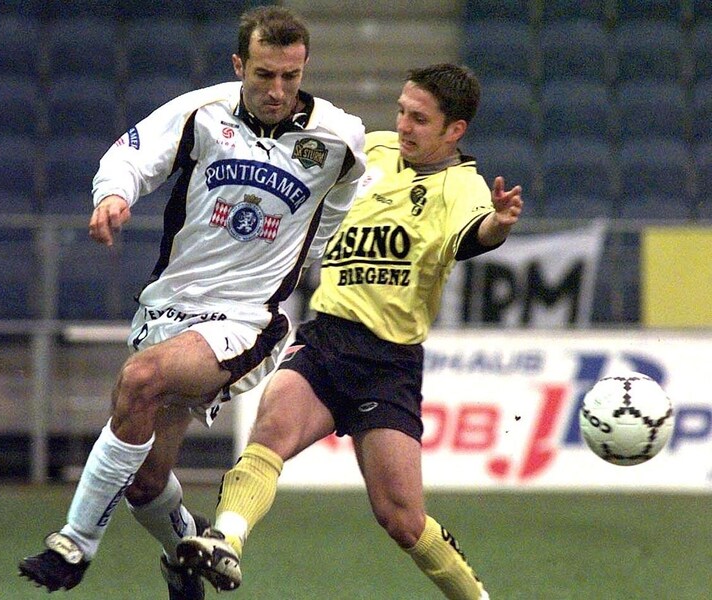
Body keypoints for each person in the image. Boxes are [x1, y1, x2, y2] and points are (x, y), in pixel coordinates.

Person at [18, 6, 366, 599]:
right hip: (168, 307)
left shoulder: (338, 137)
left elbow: (341, 200)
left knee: (142, 379)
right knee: (146, 482)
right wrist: (113, 196)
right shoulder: (202, 112)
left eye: (291, 75)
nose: (278, 90)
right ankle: (186, 546)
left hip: (246, 318)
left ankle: (74, 543)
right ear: (238, 66)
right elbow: (131, 155)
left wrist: (310, 259)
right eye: (263, 75)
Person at [174, 63, 523, 600]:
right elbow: (301, 145)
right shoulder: (370, 150)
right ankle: (227, 540)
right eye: (403, 111)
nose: (403, 125)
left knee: (403, 521)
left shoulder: (463, 185)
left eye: (420, 120)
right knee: (269, 434)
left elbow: (474, 233)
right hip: (328, 338)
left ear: (454, 131)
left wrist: (496, 226)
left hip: (389, 363)